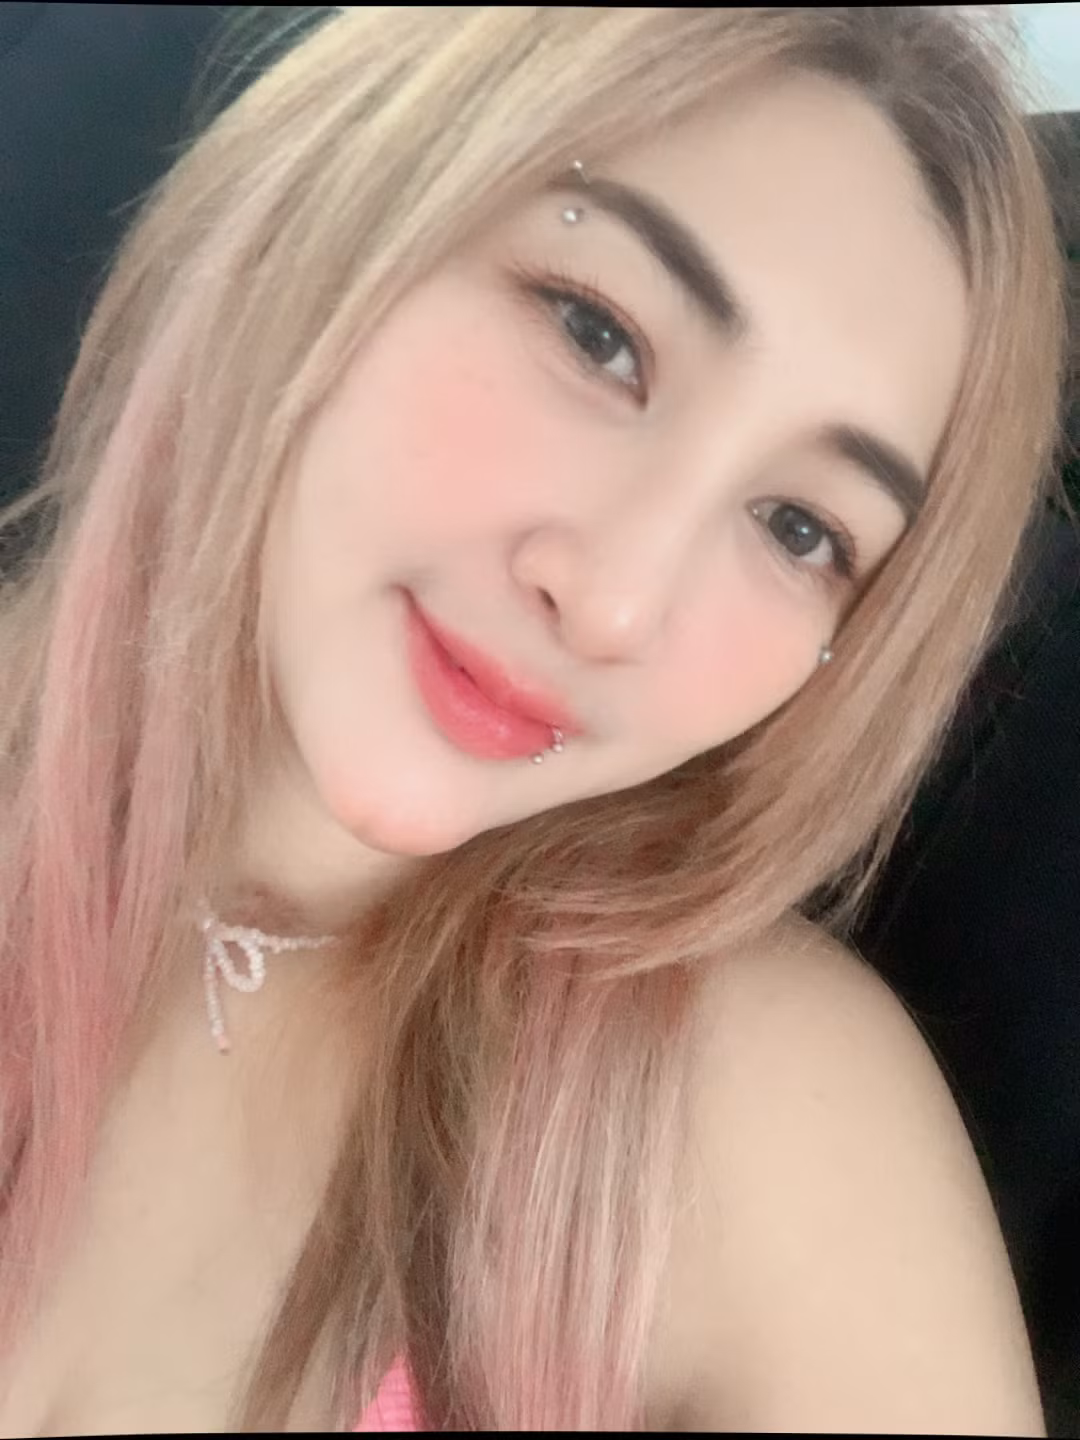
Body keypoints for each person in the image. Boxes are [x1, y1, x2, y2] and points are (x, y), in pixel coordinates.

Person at [0, 6, 1066, 1433]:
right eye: (596, 334)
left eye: (800, 528)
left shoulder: (751, 1122)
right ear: (346, 198)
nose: (614, 605)